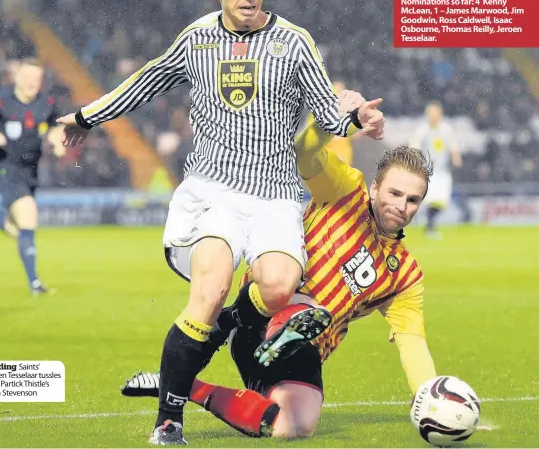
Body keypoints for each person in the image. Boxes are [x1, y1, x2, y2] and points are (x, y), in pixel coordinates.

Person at [56, 0, 385, 445]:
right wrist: (85, 116)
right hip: (214, 191)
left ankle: (224, 334)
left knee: (277, 288)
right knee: (208, 291)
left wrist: (357, 118)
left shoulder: (295, 42)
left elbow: (327, 110)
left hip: (277, 194)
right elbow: (147, 80)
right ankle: (168, 421)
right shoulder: (198, 39)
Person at [121, 105, 438, 439]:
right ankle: (281, 326)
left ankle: (185, 384)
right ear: (376, 187)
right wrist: (332, 120)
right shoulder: (346, 189)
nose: (402, 206)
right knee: (306, 304)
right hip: (265, 307)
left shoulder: (405, 275)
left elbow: (412, 343)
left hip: (308, 349)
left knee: (293, 426)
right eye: (395, 193)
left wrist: (429, 397)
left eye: (413, 200)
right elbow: (303, 152)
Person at [0, 58, 65, 294]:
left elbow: (55, 126)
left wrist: (56, 139)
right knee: (29, 216)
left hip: (31, 171)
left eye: (36, 79)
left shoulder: (47, 103)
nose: (32, 82)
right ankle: (35, 284)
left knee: (17, 229)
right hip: (6, 168)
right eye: (27, 77)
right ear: (17, 77)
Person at [409, 101, 462, 238]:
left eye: (435, 114)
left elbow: (453, 145)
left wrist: (456, 157)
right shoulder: (423, 130)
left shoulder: (446, 130)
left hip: (443, 171)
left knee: (442, 202)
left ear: (440, 115)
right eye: (430, 114)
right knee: (429, 199)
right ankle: (430, 227)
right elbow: (414, 146)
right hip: (428, 172)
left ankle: (428, 223)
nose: (433, 117)